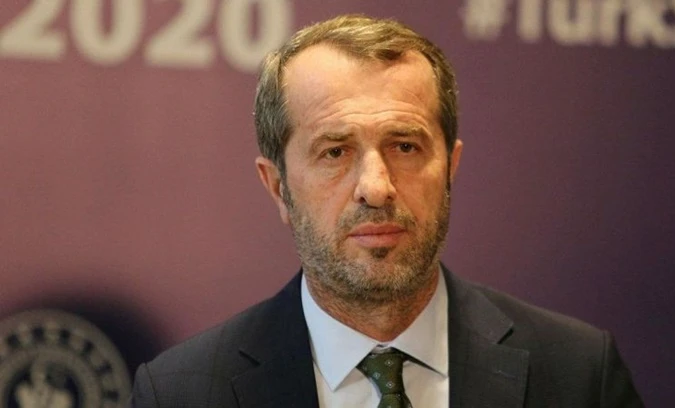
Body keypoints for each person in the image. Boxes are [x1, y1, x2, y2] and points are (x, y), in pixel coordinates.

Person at [130, 14, 643, 408]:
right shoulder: (181, 393)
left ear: (451, 167)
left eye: (405, 146)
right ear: (278, 187)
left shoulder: (579, 374)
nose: (376, 188)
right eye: (335, 151)